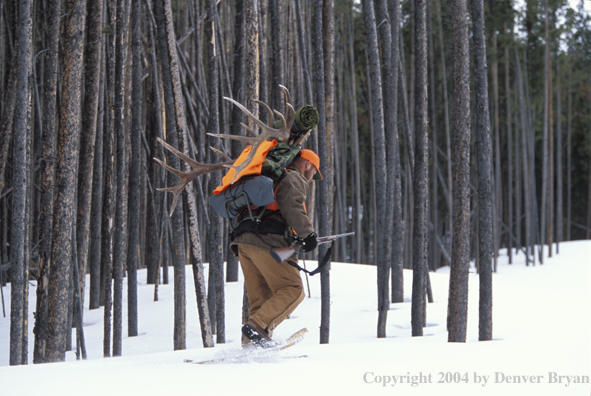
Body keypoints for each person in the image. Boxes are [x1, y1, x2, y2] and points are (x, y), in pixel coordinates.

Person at [230, 149, 322, 348]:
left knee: (261, 300)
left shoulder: (268, 178)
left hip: (244, 242)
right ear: (307, 165)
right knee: (292, 289)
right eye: (314, 172)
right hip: (267, 241)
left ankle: (250, 346)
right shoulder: (293, 177)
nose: (312, 177)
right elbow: (292, 205)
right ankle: (257, 328)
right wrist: (308, 234)